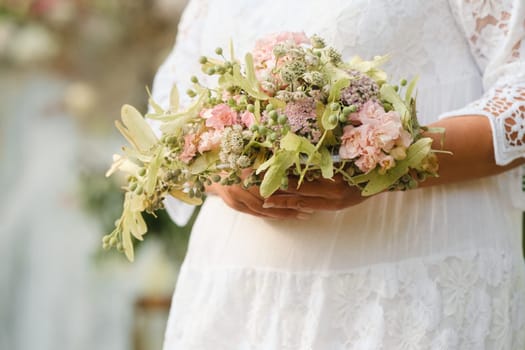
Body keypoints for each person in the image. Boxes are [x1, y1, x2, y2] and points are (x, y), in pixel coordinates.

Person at [150, 0, 525, 348]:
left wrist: (388, 161)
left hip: (406, 283)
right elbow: (166, 115)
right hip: (236, 297)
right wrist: (215, 173)